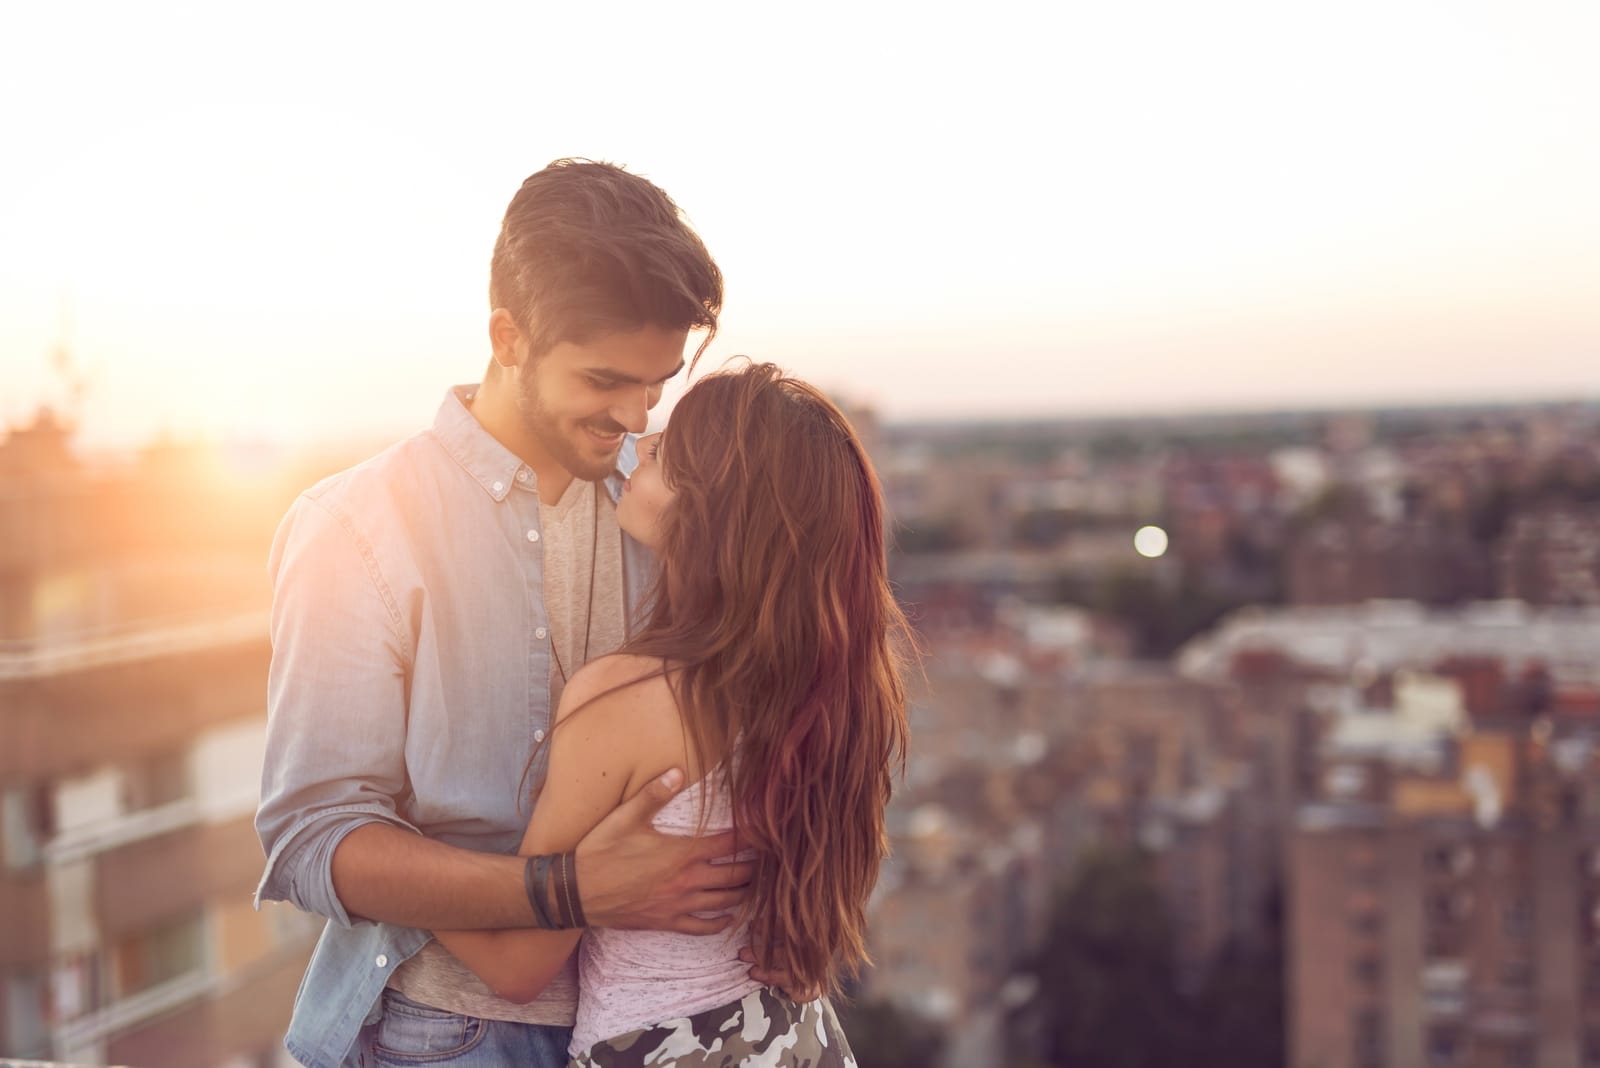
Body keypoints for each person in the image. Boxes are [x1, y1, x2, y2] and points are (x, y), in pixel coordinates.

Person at [255, 159, 762, 1068]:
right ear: (508, 335)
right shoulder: (356, 527)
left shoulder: (665, 508)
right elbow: (312, 838)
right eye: (607, 379)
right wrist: (567, 890)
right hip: (445, 1035)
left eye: (658, 383)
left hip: (658, 1031)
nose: (638, 413)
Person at [434, 361, 913, 1066]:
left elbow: (516, 967)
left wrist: (383, 845)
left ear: (713, 513)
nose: (642, 444)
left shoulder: (628, 702)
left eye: (669, 452)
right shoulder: (834, 689)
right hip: (793, 1039)